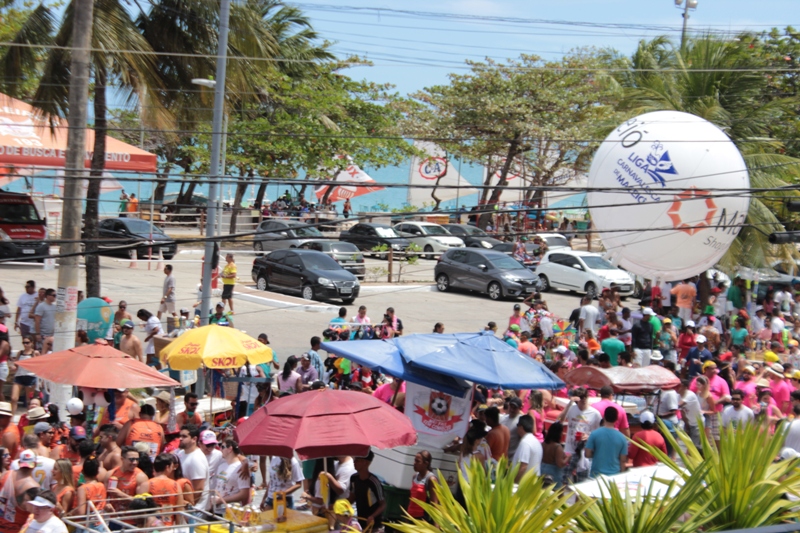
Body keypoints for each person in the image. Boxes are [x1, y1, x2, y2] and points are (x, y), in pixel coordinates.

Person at [559, 387, 602, 482]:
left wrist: (589, 436)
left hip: (584, 452)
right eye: (581, 397)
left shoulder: (595, 413)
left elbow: (600, 432)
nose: (583, 400)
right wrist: (570, 403)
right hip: (570, 450)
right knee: (564, 480)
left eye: (585, 397)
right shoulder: (571, 409)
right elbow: (560, 420)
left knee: (582, 481)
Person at [0, 449, 40, 531]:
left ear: (19, 463)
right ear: (35, 464)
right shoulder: (33, 486)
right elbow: (36, 513)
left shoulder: (4, 474)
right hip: (16, 529)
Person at [585, 407, 629, 478]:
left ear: (604, 417)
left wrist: (597, 454)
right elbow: (623, 460)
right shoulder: (622, 438)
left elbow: (587, 454)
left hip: (596, 475)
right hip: (614, 476)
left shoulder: (594, 434)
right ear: (616, 419)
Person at [175, 424, 210, 513]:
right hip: (184, 505)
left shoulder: (196, 458)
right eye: (180, 436)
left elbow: (199, 489)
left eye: (184, 436)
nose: (180, 439)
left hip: (195, 510)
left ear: (194, 439)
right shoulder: (181, 453)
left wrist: (189, 506)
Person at [348, 451, 385, 531]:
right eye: (354, 460)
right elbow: (351, 498)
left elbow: (383, 504)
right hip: (360, 523)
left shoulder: (373, 482)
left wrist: (372, 516)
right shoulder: (354, 478)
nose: (354, 462)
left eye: (357, 460)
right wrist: (337, 505)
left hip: (374, 526)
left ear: (366, 463)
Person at [212, 440, 250, 515]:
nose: (220, 449)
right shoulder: (221, 466)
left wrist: (220, 500)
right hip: (216, 509)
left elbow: (244, 494)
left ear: (230, 449)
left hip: (231, 512)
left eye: (222, 447)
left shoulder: (241, 468)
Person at [105, 446, 149, 511]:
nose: (135, 462)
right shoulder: (110, 474)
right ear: (122, 459)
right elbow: (104, 497)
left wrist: (121, 495)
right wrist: (107, 505)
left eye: (137, 459)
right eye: (131, 459)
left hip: (130, 516)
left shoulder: (141, 477)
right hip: (113, 514)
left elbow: (142, 503)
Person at [149, 453, 185, 526]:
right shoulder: (175, 485)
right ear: (167, 467)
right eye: (172, 466)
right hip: (168, 526)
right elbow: (179, 510)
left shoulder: (147, 483)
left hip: (150, 526)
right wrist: (179, 528)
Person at [10, 336, 39, 414]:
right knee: (14, 398)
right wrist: (13, 367)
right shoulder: (20, 353)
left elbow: (40, 364)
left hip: (30, 376)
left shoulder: (35, 353)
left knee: (28, 400)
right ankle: (11, 416)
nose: (25, 344)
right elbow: (16, 364)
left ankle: (29, 416)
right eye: (24, 343)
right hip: (19, 376)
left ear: (32, 343)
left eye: (27, 343)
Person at [406, 451, 437, 521]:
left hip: (422, 520)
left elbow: (435, 504)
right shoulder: (415, 477)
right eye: (414, 460)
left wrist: (436, 525)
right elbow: (411, 499)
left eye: (418, 461)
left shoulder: (431, 479)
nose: (414, 463)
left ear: (426, 463)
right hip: (410, 517)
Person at [512, 415, 542, 482]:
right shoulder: (536, 441)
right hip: (532, 481)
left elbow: (523, 466)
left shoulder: (525, 442)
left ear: (521, 427)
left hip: (524, 483)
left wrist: (514, 483)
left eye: (517, 425)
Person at [540, 422, 566, 488]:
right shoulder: (557, 447)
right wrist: (568, 458)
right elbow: (560, 464)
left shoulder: (543, 444)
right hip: (553, 473)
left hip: (542, 469)